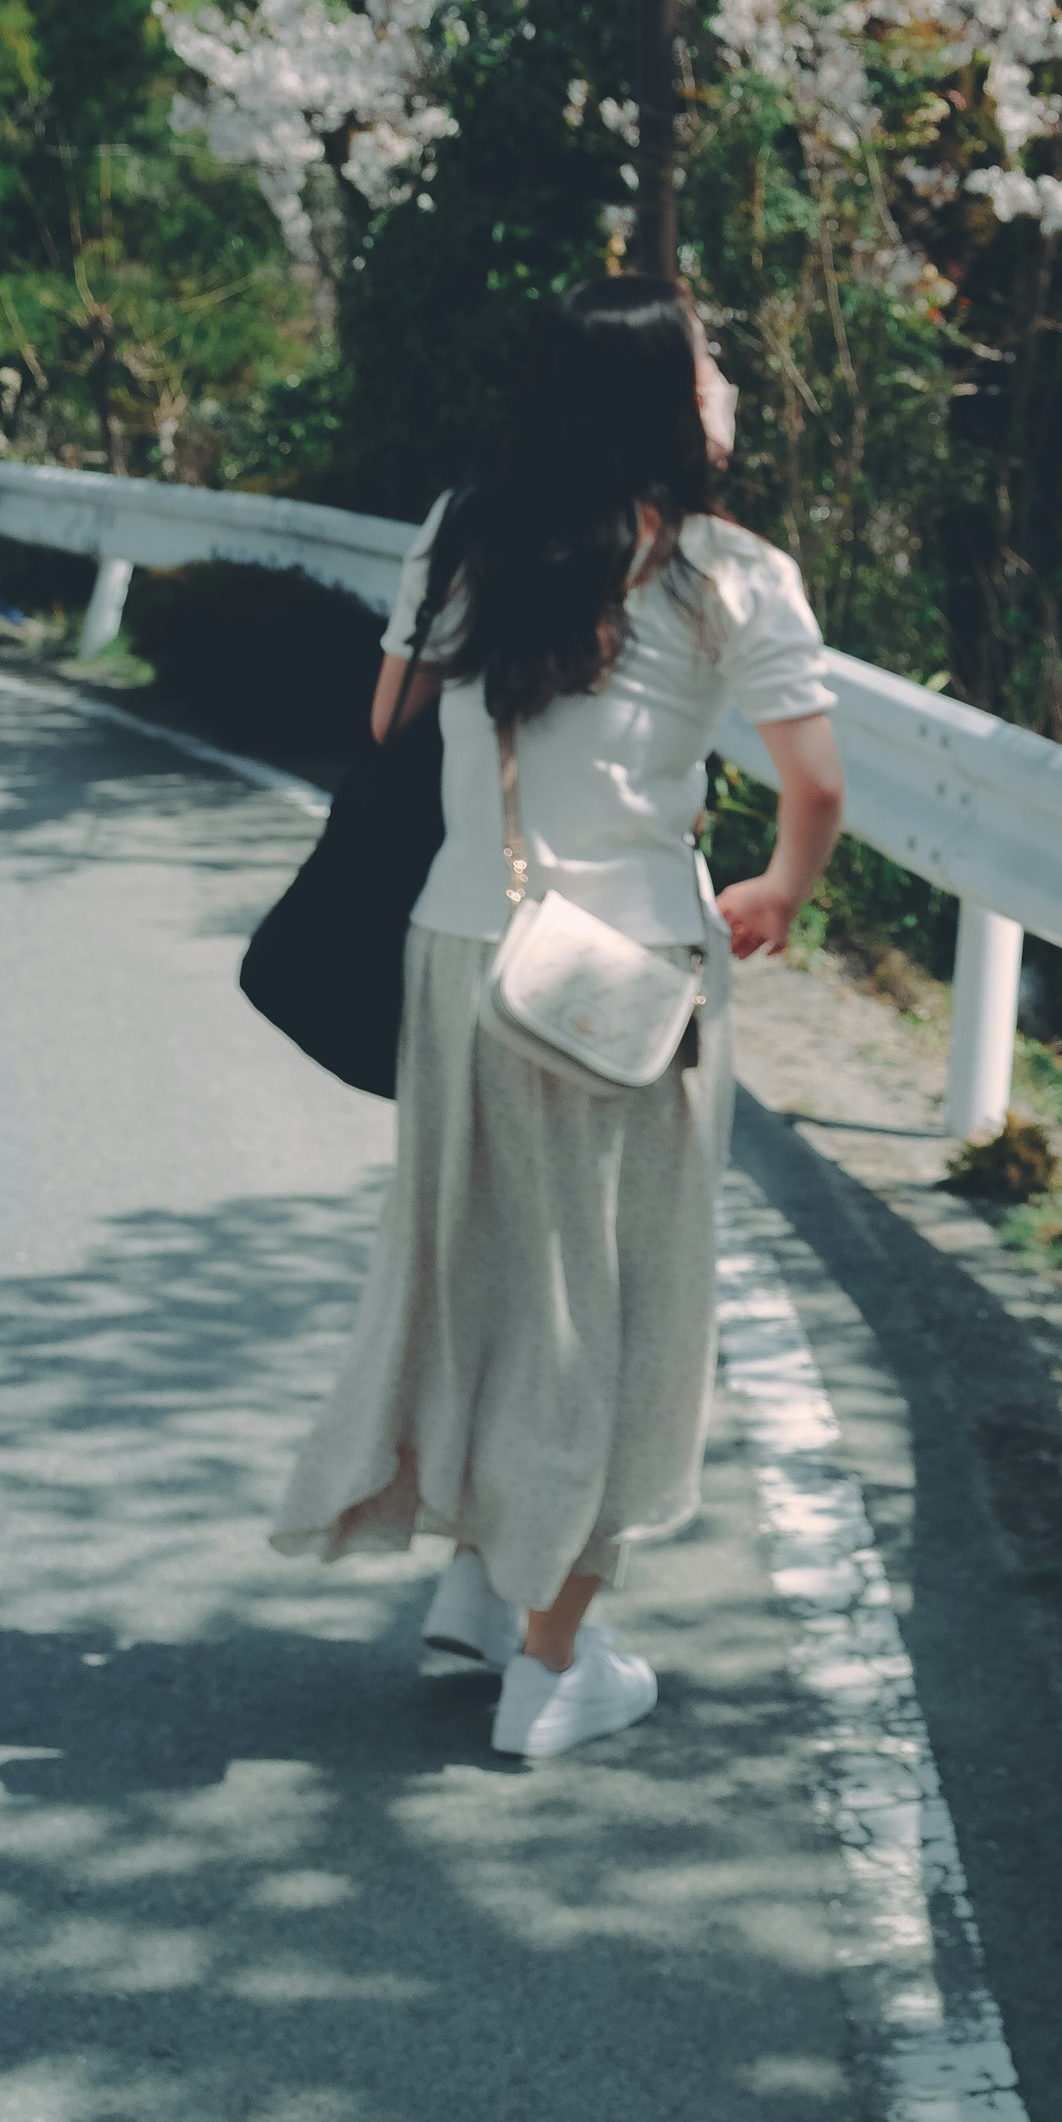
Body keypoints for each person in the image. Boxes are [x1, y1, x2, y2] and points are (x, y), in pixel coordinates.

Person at [271, 282, 843, 1760]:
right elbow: (818, 789)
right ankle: (553, 1664)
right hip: (623, 987)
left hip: (460, 953)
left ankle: (480, 1583)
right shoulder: (733, 575)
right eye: (711, 365)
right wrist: (778, 885)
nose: (727, 387)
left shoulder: (467, 531)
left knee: (485, 1271)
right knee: (611, 1310)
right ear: (665, 400)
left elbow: (391, 727)